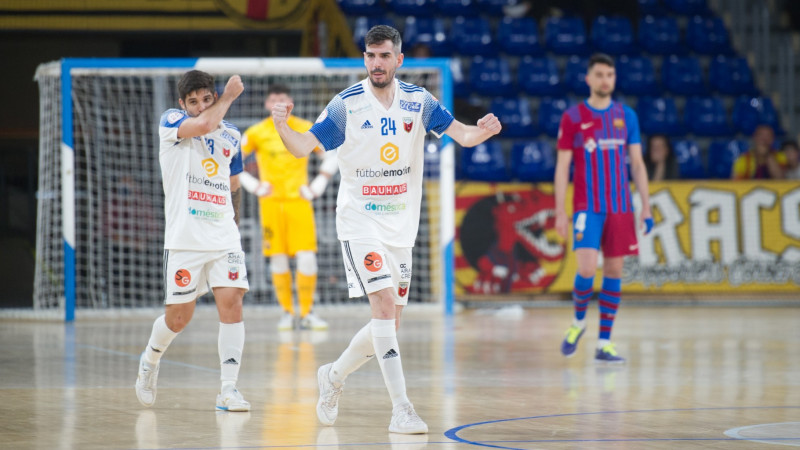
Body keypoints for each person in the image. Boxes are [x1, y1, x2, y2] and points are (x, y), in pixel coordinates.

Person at [271, 25, 501, 434]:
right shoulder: (347, 105)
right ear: (365, 59)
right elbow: (302, 147)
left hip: (401, 228)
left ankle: (334, 376)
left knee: (389, 324)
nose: (376, 63)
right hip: (360, 221)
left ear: (398, 60)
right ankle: (402, 409)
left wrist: (482, 131)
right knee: (380, 307)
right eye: (370, 55)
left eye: (383, 56)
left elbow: (462, 135)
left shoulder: (418, 101)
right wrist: (283, 128)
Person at [135, 70, 251, 412]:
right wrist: (229, 96)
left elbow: (233, 185)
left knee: (232, 305)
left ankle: (228, 390)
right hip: (186, 238)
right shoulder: (172, 123)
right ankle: (150, 360)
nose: (201, 107)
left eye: (207, 99)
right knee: (178, 319)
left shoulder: (232, 134)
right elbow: (201, 126)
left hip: (224, 236)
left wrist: (235, 226)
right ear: (182, 105)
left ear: (212, 98)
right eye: (193, 102)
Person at [554, 53, 653, 364]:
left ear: (614, 79)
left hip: (621, 206)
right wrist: (560, 211)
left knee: (613, 271)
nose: (605, 80)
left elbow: (637, 164)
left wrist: (646, 206)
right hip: (587, 206)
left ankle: (605, 342)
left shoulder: (628, 116)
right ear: (588, 79)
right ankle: (579, 322)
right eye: (599, 74)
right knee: (586, 267)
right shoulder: (572, 117)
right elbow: (562, 168)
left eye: (610, 74)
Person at [240, 84, 338, 331]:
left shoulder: (305, 127)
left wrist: (317, 185)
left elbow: (332, 155)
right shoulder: (256, 132)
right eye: (273, 99)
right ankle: (287, 312)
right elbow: (232, 161)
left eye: (282, 99)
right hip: (271, 205)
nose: (278, 103)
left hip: (298, 203)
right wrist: (253, 186)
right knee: (278, 261)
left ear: (290, 102)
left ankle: (307, 313)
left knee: (307, 260)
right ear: (266, 104)